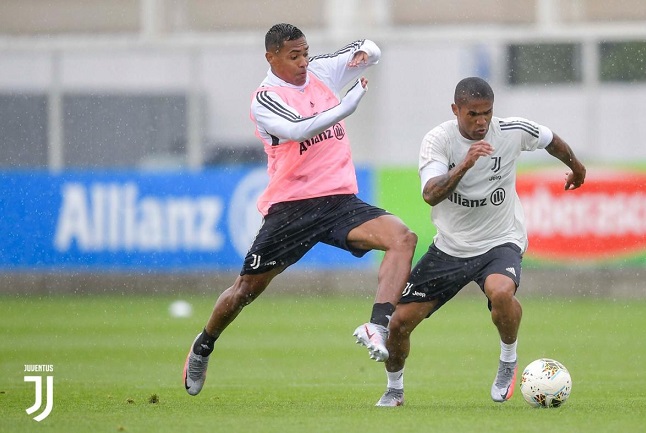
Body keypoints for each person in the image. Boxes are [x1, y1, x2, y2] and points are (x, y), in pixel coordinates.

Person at [183, 23, 417, 396]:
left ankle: (378, 324)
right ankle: (204, 344)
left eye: (305, 53)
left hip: (339, 201)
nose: (303, 62)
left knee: (403, 238)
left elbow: (371, 48)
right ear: (271, 57)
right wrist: (345, 107)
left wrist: (363, 56)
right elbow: (299, 131)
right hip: (291, 208)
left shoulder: (320, 71)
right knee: (244, 290)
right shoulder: (265, 98)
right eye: (294, 56)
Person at [375, 77, 587, 407]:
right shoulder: (438, 140)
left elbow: (550, 139)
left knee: (501, 292)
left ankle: (507, 361)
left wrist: (577, 167)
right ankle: (394, 388)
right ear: (455, 110)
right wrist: (465, 164)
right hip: (451, 247)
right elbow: (431, 194)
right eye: (472, 114)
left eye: (487, 113)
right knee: (399, 323)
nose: (481, 122)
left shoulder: (511, 130)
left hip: (500, 240)